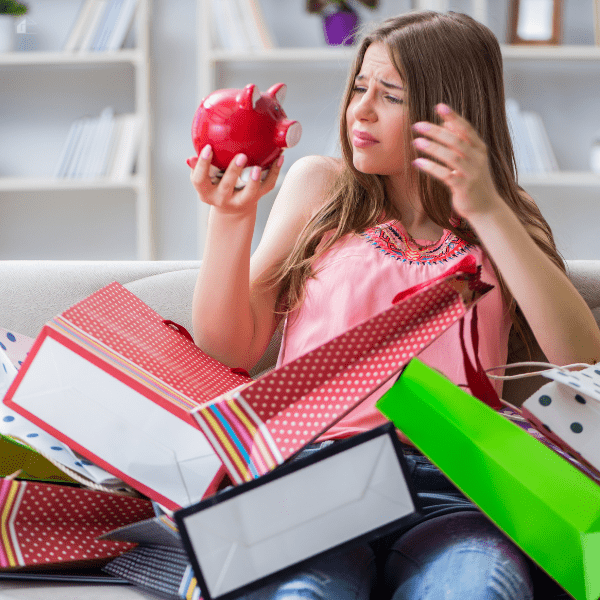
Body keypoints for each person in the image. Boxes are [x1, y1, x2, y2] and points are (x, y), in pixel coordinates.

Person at [188, 10, 600, 600]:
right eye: (359, 87)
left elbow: (578, 356)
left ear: (449, 111)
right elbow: (229, 347)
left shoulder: (505, 213)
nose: (359, 110)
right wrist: (230, 218)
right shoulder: (321, 189)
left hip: (458, 489)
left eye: (391, 96)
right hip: (316, 477)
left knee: (480, 590)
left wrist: (485, 207)